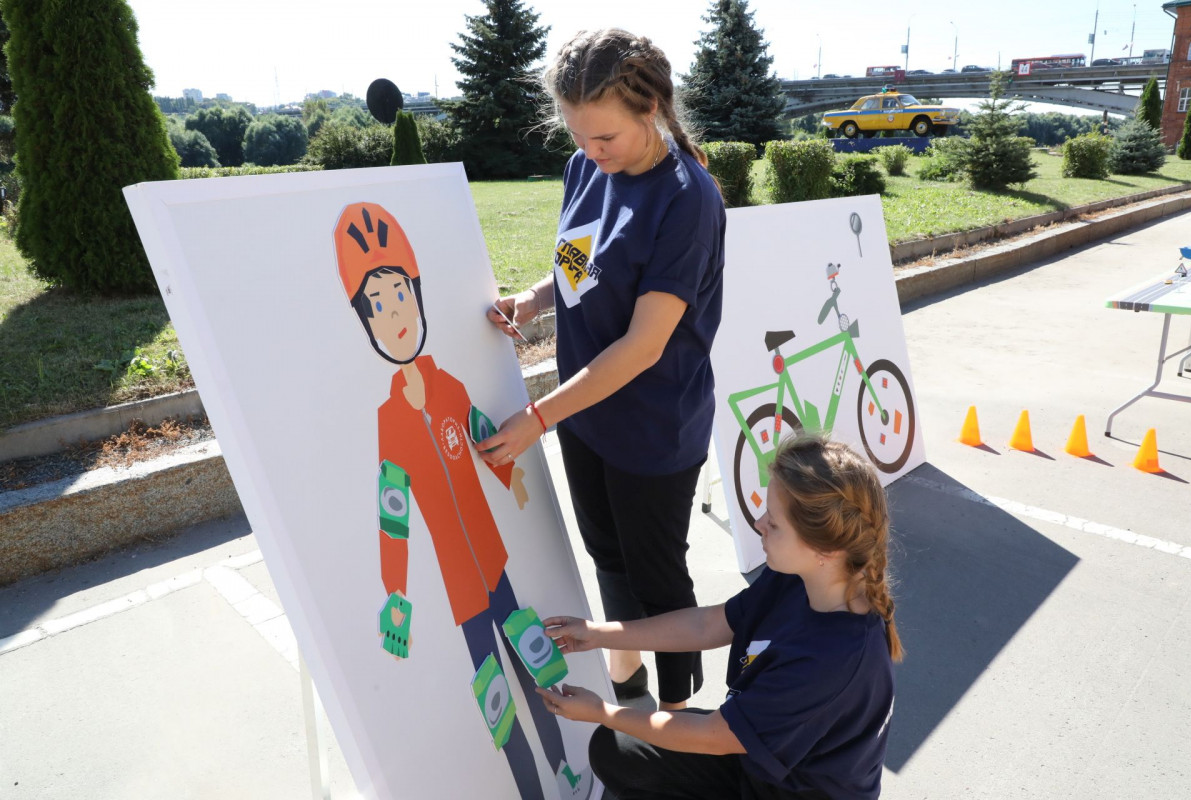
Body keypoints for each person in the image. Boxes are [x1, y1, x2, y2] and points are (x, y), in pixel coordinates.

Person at [481, 28, 726, 712]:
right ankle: (627, 687)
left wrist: (537, 417)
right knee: (609, 561)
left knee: (657, 581)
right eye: (577, 134)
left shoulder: (688, 199)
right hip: (585, 416)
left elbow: (644, 346)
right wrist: (534, 300)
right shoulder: (585, 167)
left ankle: (677, 719)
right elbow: (580, 264)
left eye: (605, 137)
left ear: (650, 109)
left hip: (653, 428)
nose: (591, 151)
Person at [333, 202, 591, 799]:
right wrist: (395, 592)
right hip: (460, 591)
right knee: (496, 698)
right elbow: (392, 514)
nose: (396, 314)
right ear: (367, 324)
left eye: (402, 295)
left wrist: (514, 478)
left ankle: (564, 769)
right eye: (379, 305)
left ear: (419, 297)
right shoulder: (388, 422)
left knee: (532, 668)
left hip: (496, 565)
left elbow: (483, 435)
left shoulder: (449, 385)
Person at [534, 435, 903, 800]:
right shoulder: (800, 577)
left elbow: (712, 736)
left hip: (790, 790)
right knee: (615, 747)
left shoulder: (830, 661)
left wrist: (602, 711)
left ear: (825, 549)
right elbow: (707, 625)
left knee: (628, 751)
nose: (759, 523)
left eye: (774, 523)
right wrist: (598, 634)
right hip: (759, 760)